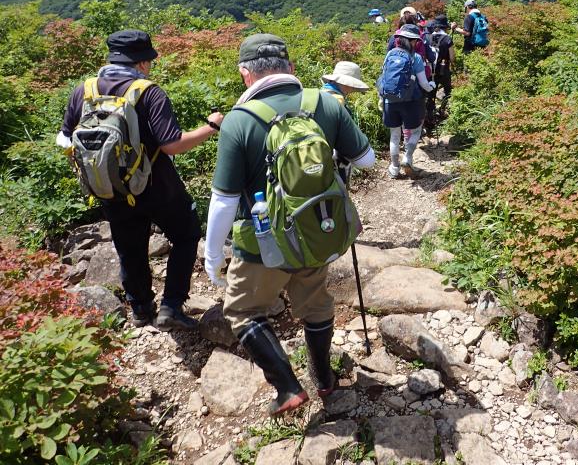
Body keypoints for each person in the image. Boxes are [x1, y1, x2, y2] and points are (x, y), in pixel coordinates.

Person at [203, 33, 375, 418]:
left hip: (261, 242)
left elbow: (225, 200)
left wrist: (212, 253)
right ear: (291, 69)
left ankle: (288, 387)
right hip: (317, 229)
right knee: (314, 304)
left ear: (245, 74)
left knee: (244, 313)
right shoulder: (325, 104)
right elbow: (367, 160)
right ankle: (324, 377)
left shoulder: (238, 121)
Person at [57, 29, 223, 330]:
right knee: (185, 236)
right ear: (142, 62)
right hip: (157, 186)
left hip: (111, 189)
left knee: (129, 247)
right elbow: (172, 144)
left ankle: (141, 309)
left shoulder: (85, 90)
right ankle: (171, 305)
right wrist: (211, 126)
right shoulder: (148, 92)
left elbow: (65, 138)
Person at [380, 24, 435, 178]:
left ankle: (394, 167)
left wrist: (381, 99)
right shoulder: (416, 58)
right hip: (411, 101)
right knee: (416, 130)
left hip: (389, 101)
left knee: (395, 135)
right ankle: (408, 158)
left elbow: (384, 78)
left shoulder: (390, 54)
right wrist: (431, 86)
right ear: (414, 41)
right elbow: (424, 83)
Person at [424, 14, 456, 132]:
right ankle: (443, 111)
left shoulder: (428, 38)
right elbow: (452, 57)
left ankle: (430, 117)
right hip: (444, 69)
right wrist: (454, 65)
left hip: (431, 70)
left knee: (431, 94)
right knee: (447, 90)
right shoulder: (447, 39)